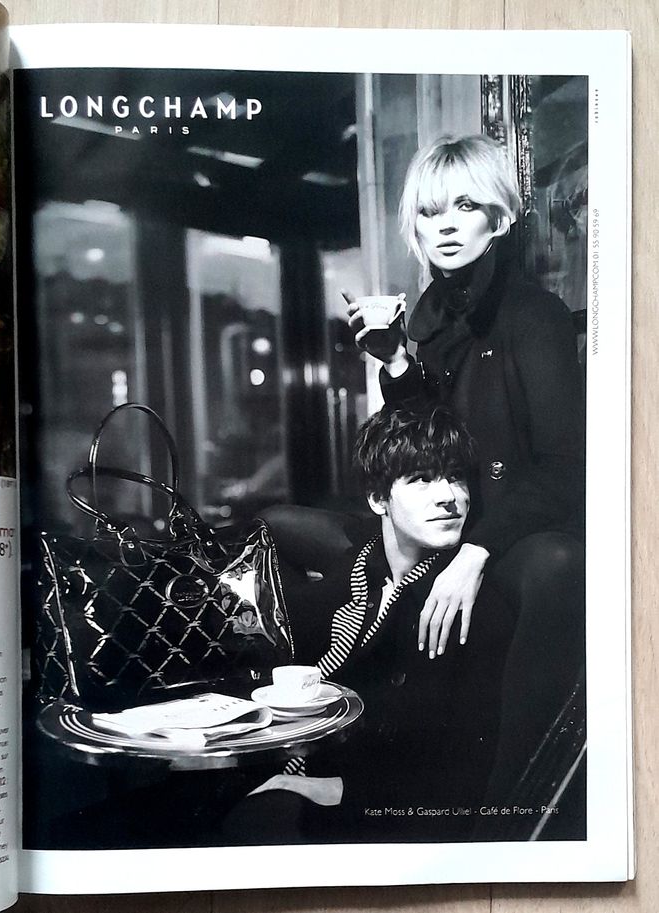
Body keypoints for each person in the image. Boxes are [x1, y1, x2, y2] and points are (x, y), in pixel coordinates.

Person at [347, 134, 585, 807]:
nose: (446, 226)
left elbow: (566, 467)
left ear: (499, 220)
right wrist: (396, 362)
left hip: (515, 534)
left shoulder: (532, 315)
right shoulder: (429, 327)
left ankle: (506, 820)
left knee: (558, 564)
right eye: (430, 212)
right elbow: (432, 450)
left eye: (465, 206)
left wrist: (475, 553)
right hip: (453, 523)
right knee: (286, 525)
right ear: (415, 229)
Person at [227, 405, 513, 844]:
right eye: (421, 479)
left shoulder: (469, 605)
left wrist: (332, 789)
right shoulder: (358, 571)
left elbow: (458, 776)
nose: (449, 496)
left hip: (393, 817)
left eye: (455, 476)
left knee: (258, 821)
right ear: (378, 499)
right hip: (309, 765)